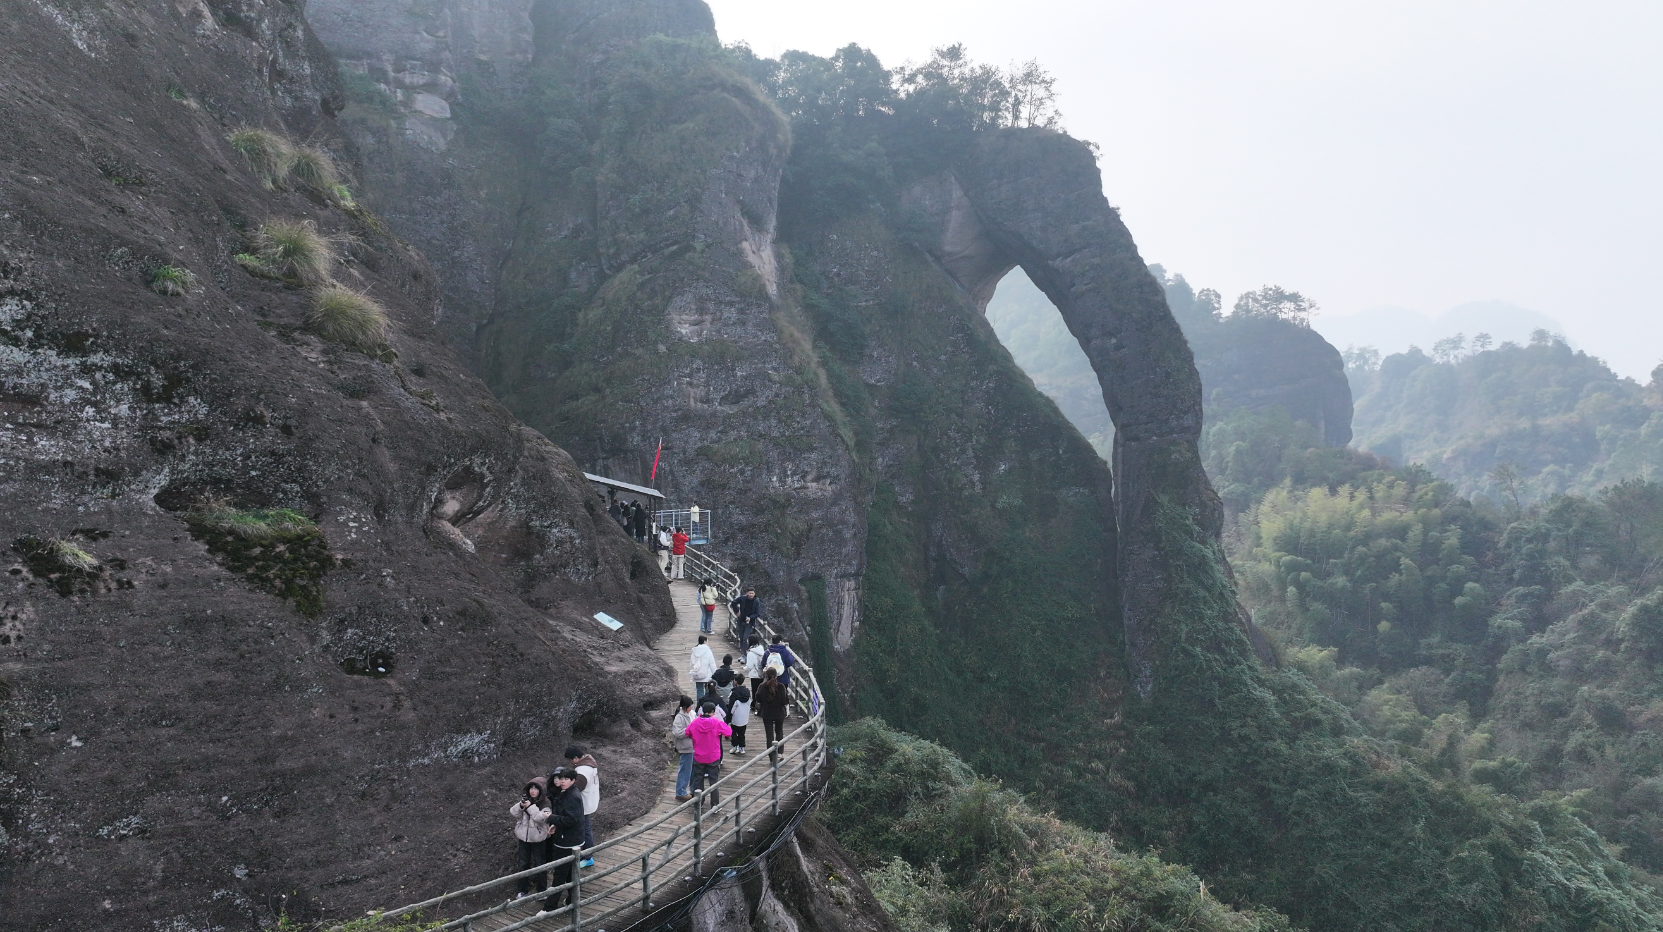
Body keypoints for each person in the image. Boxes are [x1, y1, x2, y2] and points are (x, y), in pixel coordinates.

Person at [541, 767, 587, 914]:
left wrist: (551, 818)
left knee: (560, 874)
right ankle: (573, 899)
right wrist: (555, 824)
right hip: (569, 838)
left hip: (568, 841)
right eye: (561, 779)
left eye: (566, 779)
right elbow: (567, 817)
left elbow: (572, 819)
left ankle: (549, 908)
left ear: (573, 780)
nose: (562, 781)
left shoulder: (572, 796)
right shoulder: (567, 793)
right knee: (569, 873)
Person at [685, 700, 733, 806]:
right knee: (713, 781)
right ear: (712, 712)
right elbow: (729, 732)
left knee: (698, 780)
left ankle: (699, 802)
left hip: (699, 756)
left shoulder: (695, 722)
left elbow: (687, 732)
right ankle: (715, 804)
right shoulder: (716, 722)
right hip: (713, 756)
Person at [511, 778, 551, 898]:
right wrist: (521, 805)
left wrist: (530, 807)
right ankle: (522, 890)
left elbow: (541, 818)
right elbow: (513, 813)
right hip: (524, 838)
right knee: (523, 864)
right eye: (531, 788)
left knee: (540, 864)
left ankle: (542, 891)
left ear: (541, 790)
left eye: (536, 788)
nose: (533, 791)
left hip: (538, 838)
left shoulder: (546, 803)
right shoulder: (526, 801)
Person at [565, 745, 599, 868]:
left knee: (585, 831)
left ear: (575, 758)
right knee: (586, 829)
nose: (570, 762)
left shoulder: (582, 771)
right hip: (589, 801)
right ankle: (587, 855)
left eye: (570, 760)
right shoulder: (590, 764)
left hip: (583, 804)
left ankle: (588, 857)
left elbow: (577, 788)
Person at [754, 668, 789, 755]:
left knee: (769, 735)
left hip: (767, 713)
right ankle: (780, 753)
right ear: (777, 675)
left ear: (766, 675)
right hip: (779, 713)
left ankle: (771, 756)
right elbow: (785, 701)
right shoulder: (781, 687)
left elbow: (757, 698)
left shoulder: (762, 686)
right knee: (779, 731)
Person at [671, 696, 696, 802]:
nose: (691, 708)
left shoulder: (691, 714)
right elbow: (677, 732)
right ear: (685, 707)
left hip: (692, 746)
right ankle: (680, 792)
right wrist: (690, 730)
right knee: (685, 770)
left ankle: (691, 790)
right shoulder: (679, 717)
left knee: (691, 770)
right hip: (685, 747)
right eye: (689, 706)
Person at [689, 634, 716, 703]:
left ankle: (700, 704)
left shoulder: (694, 650)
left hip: (698, 674)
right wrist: (714, 673)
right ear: (704, 641)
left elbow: (692, 662)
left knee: (699, 690)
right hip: (707, 674)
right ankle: (707, 704)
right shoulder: (708, 650)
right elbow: (712, 663)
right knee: (707, 690)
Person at [727, 679, 751, 756]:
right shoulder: (747, 695)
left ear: (735, 681)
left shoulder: (734, 695)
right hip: (744, 718)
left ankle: (735, 746)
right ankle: (742, 747)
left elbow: (732, 709)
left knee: (734, 732)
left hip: (735, 718)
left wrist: (728, 717)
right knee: (742, 733)